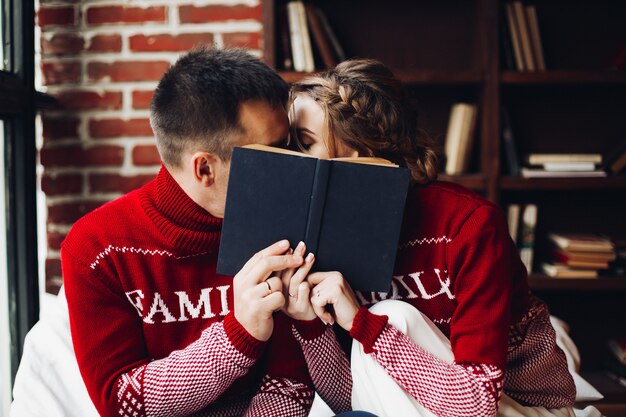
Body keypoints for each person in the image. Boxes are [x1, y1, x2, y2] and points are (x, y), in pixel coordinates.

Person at [61, 46, 352, 417]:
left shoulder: (284, 222)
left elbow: (290, 384)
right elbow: (121, 402)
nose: (294, 168)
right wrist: (239, 334)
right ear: (204, 170)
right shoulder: (97, 248)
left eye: (290, 146)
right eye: (272, 154)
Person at [285, 59, 577, 417]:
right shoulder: (317, 233)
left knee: (393, 317)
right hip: (414, 406)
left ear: (361, 151)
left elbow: (476, 402)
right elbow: (353, 401)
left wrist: (363, 323)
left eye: (304, 143)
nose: (291, 158)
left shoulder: (469, 223)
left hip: (518, 407)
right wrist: (309, 324)